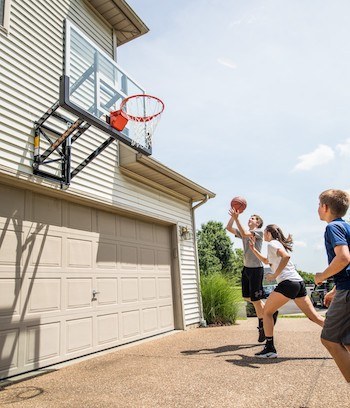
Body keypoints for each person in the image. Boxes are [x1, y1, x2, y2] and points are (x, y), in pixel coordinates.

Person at [249, 224, 324, 358]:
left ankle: (270, 348)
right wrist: (254, 250)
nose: (264, 235)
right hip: (298, 283)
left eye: (265, 232)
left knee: (267, 312)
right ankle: (343, 334)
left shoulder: (272, 243)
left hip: (288, 283)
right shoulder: (276, 244)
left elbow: (286, 257)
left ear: (269, 233)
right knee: (314, 317)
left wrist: (274, 275)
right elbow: (267, 260)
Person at [226, 209, 277, 343]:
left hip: (256, 269)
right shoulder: (245, 233)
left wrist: (237, 218)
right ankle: (271, 311)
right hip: (246, 269)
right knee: (247, 297)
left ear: (258, 223)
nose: (250, 219)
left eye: (253, 218)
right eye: (250, 217)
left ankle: (262, 328)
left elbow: (244, 232)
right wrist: (233, 217)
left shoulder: (259, 232)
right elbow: (229, 228)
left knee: (255, 301)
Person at [315, 189, 350, 382]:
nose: (318, 208)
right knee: (347, 341)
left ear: (326, 207)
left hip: (348, 290)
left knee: (328, 339)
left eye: (319, 204)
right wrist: (334, 290)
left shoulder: (333, 228)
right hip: (344, 288)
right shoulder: (348, 227)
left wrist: (321, 276)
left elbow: (344, 258)